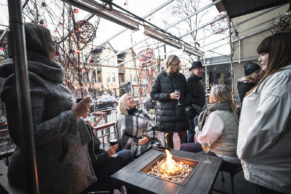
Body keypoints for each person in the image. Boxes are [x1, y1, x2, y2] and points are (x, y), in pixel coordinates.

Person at [0, 23, 96, 193]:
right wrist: (73, 114)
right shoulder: (23, 80)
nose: (56, 49)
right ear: (39, 44)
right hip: (46, 179)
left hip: (63, 173)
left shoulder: (45, 75)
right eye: (52, 42)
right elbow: (26, 135)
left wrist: (75, 112)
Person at [237, 31, 291, 194]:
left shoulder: (282, 80)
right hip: (268, 167)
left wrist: (243, 152)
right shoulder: (279, 78)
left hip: (270, 171)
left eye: (263, 53)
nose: (260, 59)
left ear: (279, 52)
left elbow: (267, 127)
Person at [180, 85, 239, 164]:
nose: (208, 96)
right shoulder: (231, 110)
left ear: (215, 99)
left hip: (223, 154)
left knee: (192, 159)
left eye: (210, 93)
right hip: (227, 149)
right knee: (184, 147)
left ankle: (191, 172)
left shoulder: (216, 115)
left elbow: (204, 140)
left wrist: (197, 128)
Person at [150, 55, 189, 149]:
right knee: (169, 140)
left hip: (180, 113)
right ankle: (171, 159)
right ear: (168, 64)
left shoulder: (181, 77)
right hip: (166, 116)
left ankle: (186, 157)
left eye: (177, 64)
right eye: (174, 65)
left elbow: (187, 93)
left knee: (184, 138)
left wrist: (184, 104)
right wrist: (168, 96)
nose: (177, 67)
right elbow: (153, 94)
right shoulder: (160, 76)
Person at [115, 93, 159, 158]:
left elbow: (152, 126)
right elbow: (121, 138)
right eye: (129, 99)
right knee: (150, 150)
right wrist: (137, 141)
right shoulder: (122, 118)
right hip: (132, 146)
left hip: (147, 140)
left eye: (132, 97)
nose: (132, 99)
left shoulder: (141, 112)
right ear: (123, 104)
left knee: (159, 147)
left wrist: (147, 138)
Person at [186, 61, 205, 143]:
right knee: (191, 132)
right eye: (198, 69)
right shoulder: (190, 81)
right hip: (193, 111)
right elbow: (188, 97)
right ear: (192, 70)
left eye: (201, 69)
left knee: (193, 131)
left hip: (196, 110)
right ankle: (189, 151)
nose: (200, 70)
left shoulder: (197, 80)